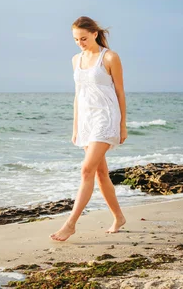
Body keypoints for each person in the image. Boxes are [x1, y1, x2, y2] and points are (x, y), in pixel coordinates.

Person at [50, 16, 128, 242]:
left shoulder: (110, 57)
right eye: (76, 39)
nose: (80, 43)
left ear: (95, 34)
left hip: (106, 117)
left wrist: (122, 124)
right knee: (101, 173)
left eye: (83, 38)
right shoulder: (75, 60)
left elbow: (120, 92)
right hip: (86, 120)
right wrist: (76, 126)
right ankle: (119, 217)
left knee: (86, 170)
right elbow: (78, 95)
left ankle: (70, 224)